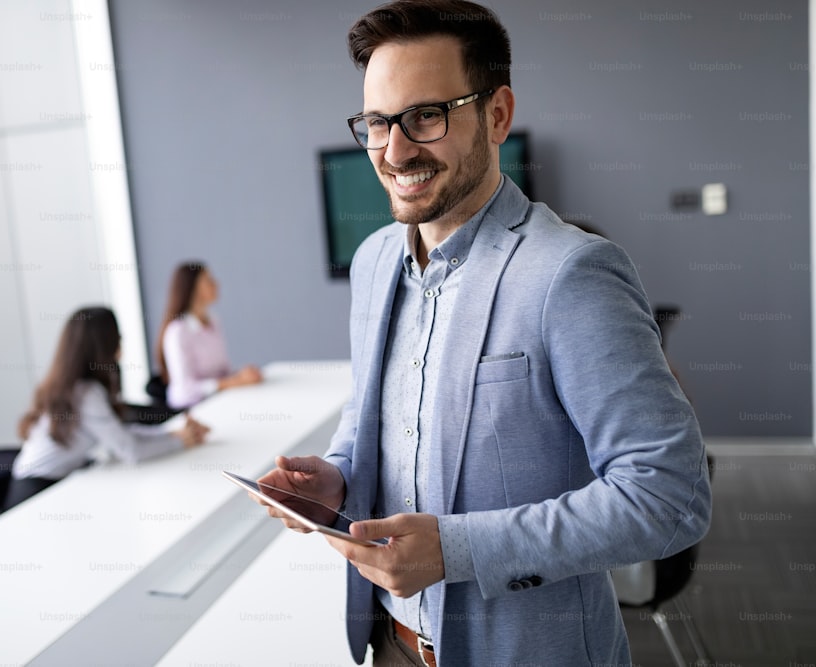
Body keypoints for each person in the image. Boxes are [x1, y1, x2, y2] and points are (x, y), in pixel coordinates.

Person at [257, 2, 712, 665]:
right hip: (389, 643)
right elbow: (369, 431)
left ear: (497, 115)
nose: (394, 149)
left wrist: (458, 549)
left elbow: (669, 495)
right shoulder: (375, 261)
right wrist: (335, 481)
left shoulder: (570, 273)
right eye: (378, 123)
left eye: (425, 117)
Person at [6, 306, 209, 510]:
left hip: (44, 484)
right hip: (35, 494)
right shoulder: (86, 394)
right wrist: (181, 440)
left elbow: (120, 435)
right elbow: (131, 451)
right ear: (103, 344)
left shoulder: (73, 386)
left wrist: (171, 434)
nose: (121, 341)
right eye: (116, 336)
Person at [155, 262, 262, 409]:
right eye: (209, 280)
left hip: (219, 401)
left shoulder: (214, 321)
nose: (216, 284)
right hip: (190, 408)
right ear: (193, 289)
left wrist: (241, 375)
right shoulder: (178, 332)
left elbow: (223, 372)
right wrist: (234, 382)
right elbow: (185, 389)